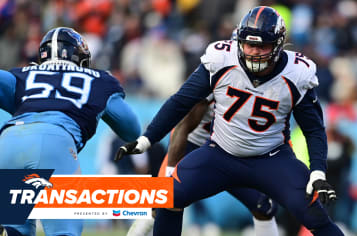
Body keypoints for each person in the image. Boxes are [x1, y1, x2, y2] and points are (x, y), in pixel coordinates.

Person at [116, 6, 343, 236]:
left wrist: (317, 172)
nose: (254, 52)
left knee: (313, 214)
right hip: (219, 154)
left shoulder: (296, 73)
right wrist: (147, 139)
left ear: (278, 45)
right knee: (168, 196)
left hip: (271, 159)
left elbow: (314, 129)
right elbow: (180, 103)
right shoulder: (222, 60)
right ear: (238, 40)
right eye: (249, 44)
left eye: (262, 46)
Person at [0, 27, 140, 236]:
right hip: (55, 144)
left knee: (16, 231)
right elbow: (132, 130)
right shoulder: (99, 80)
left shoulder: (21, 75)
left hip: (9, 142)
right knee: (64, 231)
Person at [127, 96, 279, 236]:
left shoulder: (265, 84)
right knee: (162, 201)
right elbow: (182, 128)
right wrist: (170, 174)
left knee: (263, 206)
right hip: (194, 147)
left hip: (231, 152)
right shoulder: (215, 77)